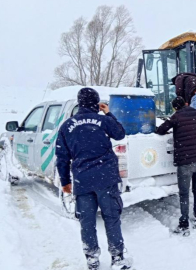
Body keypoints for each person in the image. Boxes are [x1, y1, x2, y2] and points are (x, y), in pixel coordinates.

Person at [55, 87, 132, 270]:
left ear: (79, 103)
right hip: (106, 178)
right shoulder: (103, 120)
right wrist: (109, 113)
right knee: (111, 217)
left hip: (83, 181)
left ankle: (92, 259)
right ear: (96, 103)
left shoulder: (67, 126)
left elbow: (62, 157)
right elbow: (120, 134)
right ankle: (118, 258)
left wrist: (65, 181)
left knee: (87, 222)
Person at [156, 96, 196, 236]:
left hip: (185, 161)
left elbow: (160, 130)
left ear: (175, 107)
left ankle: (184, 224)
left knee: (184, 193)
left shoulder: (176, 116)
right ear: (186, 103)